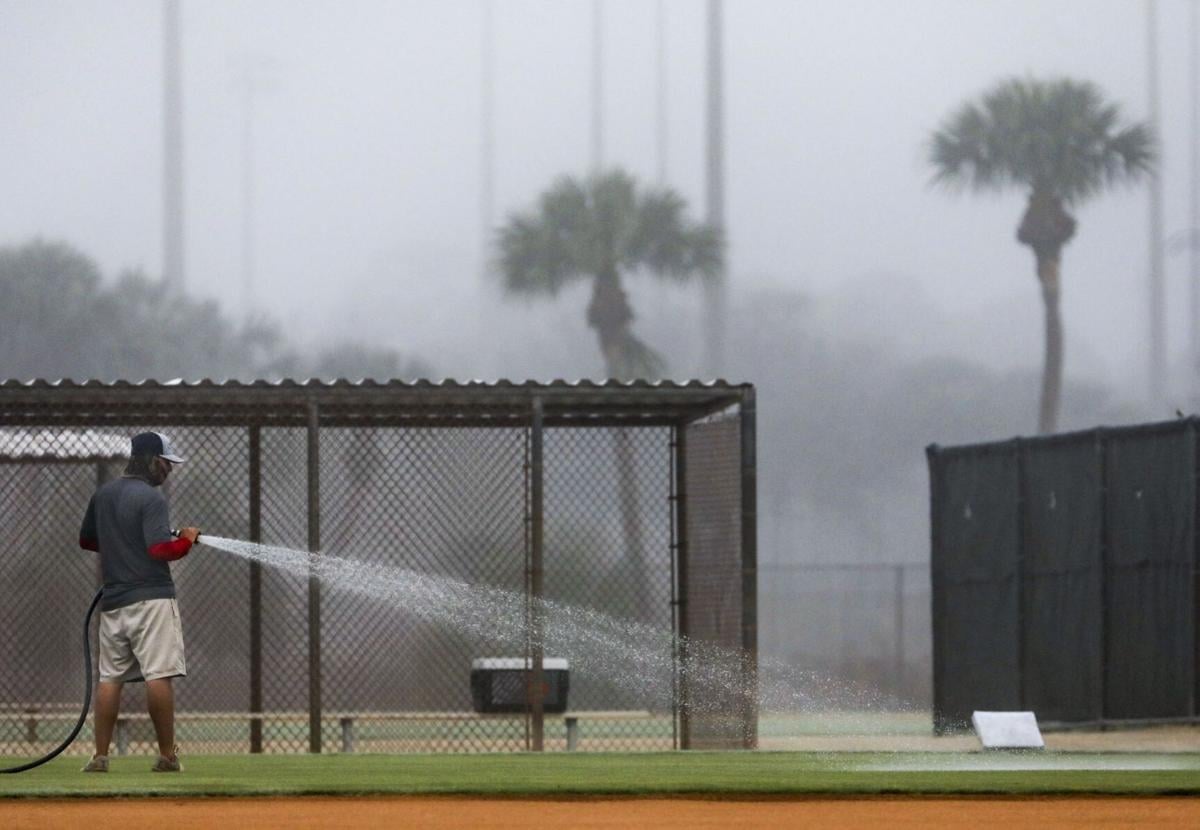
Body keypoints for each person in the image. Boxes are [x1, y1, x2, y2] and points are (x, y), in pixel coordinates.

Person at [77, 432, 200, 773]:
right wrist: (187, 540)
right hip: (153, 600)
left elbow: (87, 540)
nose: (169, 471)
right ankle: (166, 757)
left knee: (110, 678)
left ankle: (99, 757)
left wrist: (121, 547)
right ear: (150, 460)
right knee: (159, 674)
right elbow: (160, 550)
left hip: (114, 602)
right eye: (166, 463)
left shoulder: (103, 495)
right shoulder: (151, 499)